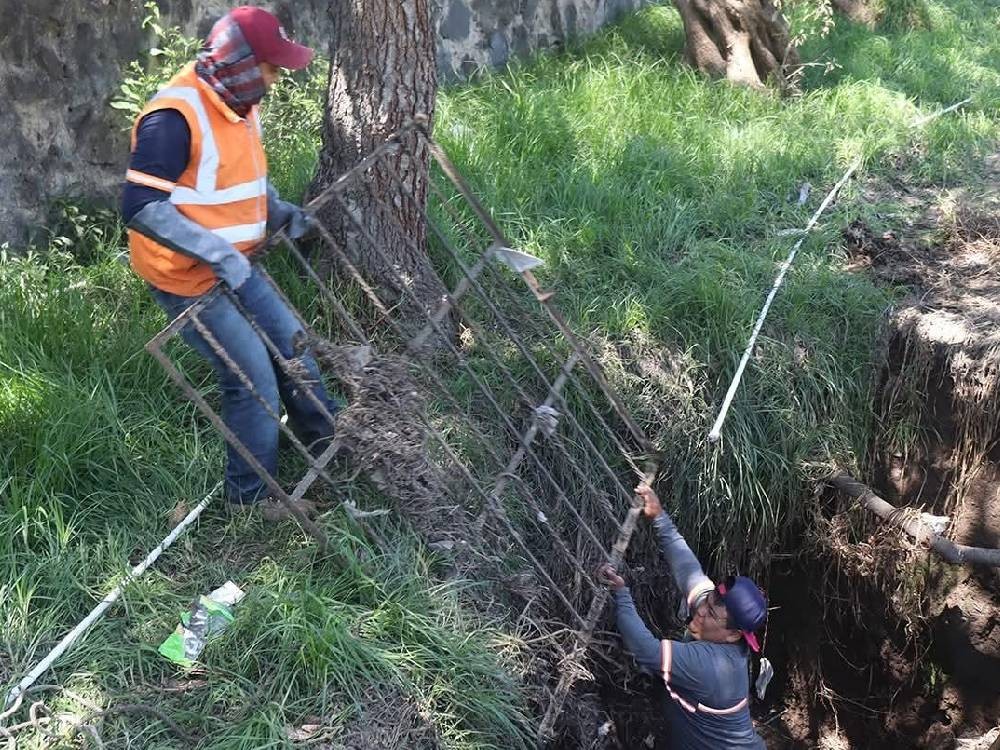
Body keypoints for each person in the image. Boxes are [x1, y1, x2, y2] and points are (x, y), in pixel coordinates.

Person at [121, 6, 337, 520]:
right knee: (252, 379)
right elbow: (140, 207)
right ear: (240, 63)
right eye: (271, 67)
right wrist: (220, 255)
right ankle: (249, 499)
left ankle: (330, 445)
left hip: (235, 265)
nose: (276, 78)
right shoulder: (173, 117)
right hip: (188, 279)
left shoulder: (240, 102)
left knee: (294, 348)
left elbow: (242, 177)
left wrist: (277, 212)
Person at [598, 483, 767, 749]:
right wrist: (659, 517)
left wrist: (621, 594)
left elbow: (646, 650)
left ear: (734, 634)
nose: (700, 611)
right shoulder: (718, 618)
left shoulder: (711, 665)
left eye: (711, 613)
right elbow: (690, 571)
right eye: (707, 601)